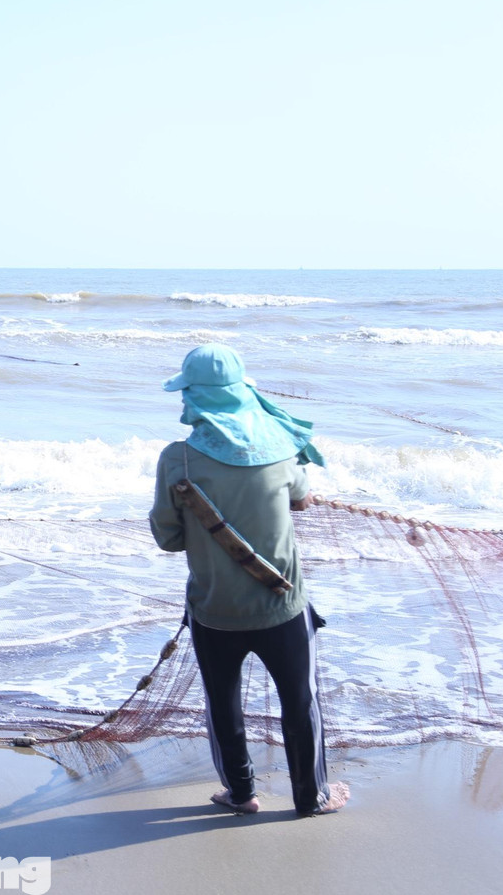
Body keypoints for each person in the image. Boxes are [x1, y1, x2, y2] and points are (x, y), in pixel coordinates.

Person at [148, 343, 349, 817]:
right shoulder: (280, 447)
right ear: (242, 392)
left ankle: (241, 794)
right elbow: (301, 496)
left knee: (223, 707)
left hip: (214, 609)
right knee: (301, 704)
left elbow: (167, 538)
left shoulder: (177, 460)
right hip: (282, 605)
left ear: (192, 397)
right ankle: (311, 798)